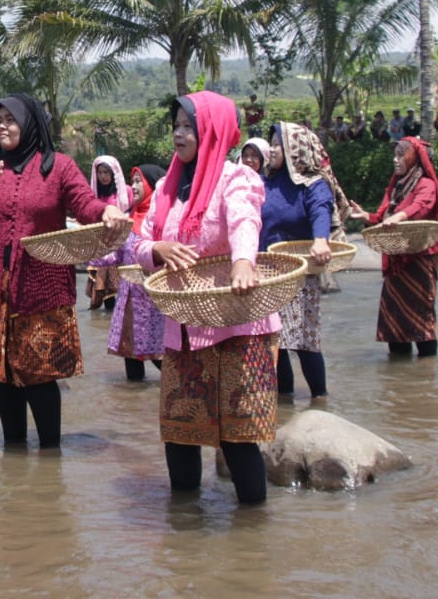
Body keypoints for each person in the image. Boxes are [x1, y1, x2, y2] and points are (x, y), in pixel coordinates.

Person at [0, 92, 127, 450]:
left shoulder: (59, 167)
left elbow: (84, 204)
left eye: (10, 119)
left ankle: (51, 456)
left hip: (42, 290)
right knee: (3, 374)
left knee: (40, 375)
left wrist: (105, 211)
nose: (2, 126)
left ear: (30, 123)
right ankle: (14, 456)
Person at [135, 91, 273, 504]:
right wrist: (157, 249)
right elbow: (140, 243)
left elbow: (245, 219)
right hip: (183, 326)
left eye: (188, 127)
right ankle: (183, 529)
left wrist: (243, 261)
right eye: (175, 126)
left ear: (211, 131)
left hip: (235, 322)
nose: (178, 134)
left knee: (238, 437)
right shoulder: (167, 186)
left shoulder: (236, 179)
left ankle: (252, 529)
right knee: (180, 432)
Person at [348, 137, 438, 357]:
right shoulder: (396, 186)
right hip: (396, 261)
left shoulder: (426, 184)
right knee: (394, 321)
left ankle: (426, 371)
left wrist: (399, 216)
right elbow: (383, 218)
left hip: (419, 261)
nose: (396, 160)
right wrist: (365, 216)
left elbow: (421, 207)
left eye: (401, 155)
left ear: (414, 158)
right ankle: (399, 373)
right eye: (395, 155)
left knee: (421, 320)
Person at [262, 122, 339, 400]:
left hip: (300, 272)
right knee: (276, 340)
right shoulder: (265, 182)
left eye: (277, 144)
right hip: (267, 272)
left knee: (304, 340)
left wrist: (320, 239)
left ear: (294, 149)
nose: (271, 149)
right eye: (271, 144)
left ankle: (320, 399)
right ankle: (284, 400)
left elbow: (321, 211)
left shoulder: (312, 184)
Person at [107, 163, 168, 382]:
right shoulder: (127, 217)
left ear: (152, 185)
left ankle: (179, 390)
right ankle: (133, 401)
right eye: (131, 181)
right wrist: (89, 252)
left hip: (153, 300)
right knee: (130, 356)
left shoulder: (162, 220)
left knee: (160, 354)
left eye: (138, 181)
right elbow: (115, 255)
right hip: (128, 298)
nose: (133, 186)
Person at [86, 155, 130, 311]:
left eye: (106, 172)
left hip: (120, 245)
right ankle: (107, 318)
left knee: (123, 287)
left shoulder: (126, 192)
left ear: (113, 173)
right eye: (100, 173)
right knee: (105, 289)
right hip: (102, 247)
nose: (103, 176)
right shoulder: (95, 196)